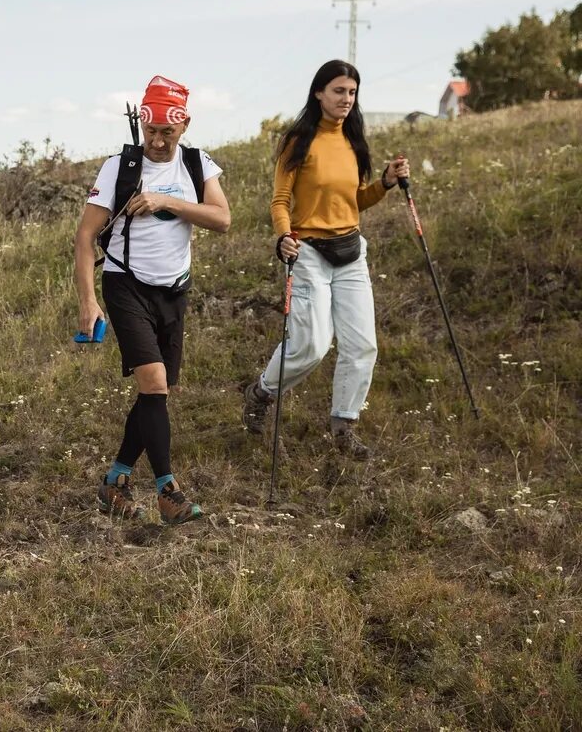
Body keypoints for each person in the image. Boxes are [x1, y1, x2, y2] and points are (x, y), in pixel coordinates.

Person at [74, 76, 231, 523]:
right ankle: (169, 492)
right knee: (155, 383)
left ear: (184, 126)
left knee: (155, 394)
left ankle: (116, 480)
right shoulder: (118, 168)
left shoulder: (199, 165)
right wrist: (88, 302)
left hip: (174, 289)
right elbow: (85, 237)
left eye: (168, 132)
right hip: (126, 284)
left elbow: (222, 219)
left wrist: (168, 200)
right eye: (151, 132)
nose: (158, 142)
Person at [241, 59, 410, 458]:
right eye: (338, 91)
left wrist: (383, 183)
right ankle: (261, 393)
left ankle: (343, 427)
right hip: (309, 251)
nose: (346, 99)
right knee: (312, 345)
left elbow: (355, 202)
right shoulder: (298, 140)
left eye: (352, 92)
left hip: (351, 252)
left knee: (362, 345)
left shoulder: (353, 140)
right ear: (318, 92)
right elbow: (280, 201)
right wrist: (284, 236)